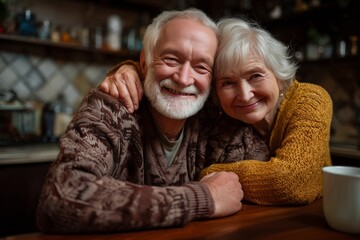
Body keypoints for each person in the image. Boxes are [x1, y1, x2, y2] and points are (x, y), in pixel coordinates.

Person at [36, 9, 269, 234]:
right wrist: (204, 197)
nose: (184, 78)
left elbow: (267, 182)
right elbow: (61, 196)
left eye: (201, 67)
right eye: (170, 59)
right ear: (144, 63)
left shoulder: (219, 121)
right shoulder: (111, 107)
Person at [99, 17, 333, 206]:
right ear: (215, 91)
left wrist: (211, 175)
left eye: (256, 76)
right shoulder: (219, 111)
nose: (244, 94)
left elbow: (293, 181)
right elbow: (175, 77)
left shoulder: (310, 99)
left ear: (280, 78)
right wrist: (129, 70)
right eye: (228, 83)